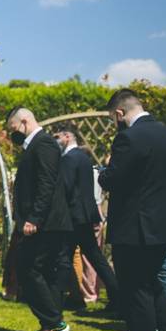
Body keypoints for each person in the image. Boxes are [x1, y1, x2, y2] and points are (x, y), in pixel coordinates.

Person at [98, 89, 166, 331]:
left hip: (135, 230)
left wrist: (102, 172)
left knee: (137, 294)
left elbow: (112, 179)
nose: (114, 123)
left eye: (112, 118)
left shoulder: (129, 138)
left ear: (119, 113)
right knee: (153, 289)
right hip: (163, 228)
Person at [7, 107, 73, 331]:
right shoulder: (37, 145)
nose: (13, 134)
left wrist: (34, 218)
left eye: (13, 129)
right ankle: (51, 327)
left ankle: (54, 323)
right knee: (39, 271)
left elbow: (46, 183)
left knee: (28, 268)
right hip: (45, 222)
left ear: (24, 121)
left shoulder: (43, 143)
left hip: (46, 223)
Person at [54, 122, 119, 311]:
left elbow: (65, 187)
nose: (56, 140)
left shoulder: (68, 159)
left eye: (58, 136)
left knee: (64, 258)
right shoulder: (82, 157)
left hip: (74, 216)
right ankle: (115, 296)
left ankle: (59, 299)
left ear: (67, 136)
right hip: (86, 214)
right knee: (95, 258)